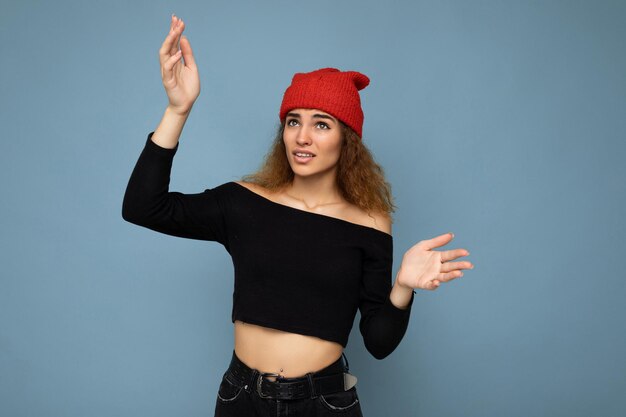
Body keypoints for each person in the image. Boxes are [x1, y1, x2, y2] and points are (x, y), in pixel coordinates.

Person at [122, 14, 474, 417]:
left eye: (321, 124)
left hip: (323, 402)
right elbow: (141, 207)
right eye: (293, 122)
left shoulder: (370, 223)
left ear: (347, 139)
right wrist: (178, 110)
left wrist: (403, 288)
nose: (302, 137)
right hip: (241, 399)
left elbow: (378, 342)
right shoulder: (243, 203)